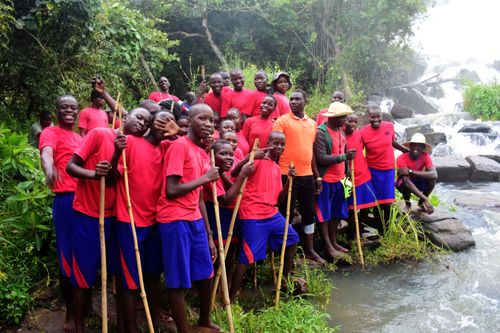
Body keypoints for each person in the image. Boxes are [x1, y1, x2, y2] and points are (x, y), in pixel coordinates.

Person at [66, 108, 151, 333]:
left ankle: (121, 325)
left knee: (117, 271)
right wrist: (92, 174)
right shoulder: (99, 134)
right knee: (84, 272)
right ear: (124, 118)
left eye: (147, 122)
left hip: (115, 217)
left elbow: (112, 180)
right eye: (139, 117)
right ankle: (79, 326)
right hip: (87, 213)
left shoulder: (133, 145)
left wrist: (114, 155)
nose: (143, 123)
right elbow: (71, 166)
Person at [156, 104, 219, 333]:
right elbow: (171, 189)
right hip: (174, 220)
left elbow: (199, 198)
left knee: (206, 272)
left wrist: (209, 234)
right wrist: (205, 179)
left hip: (194, 219)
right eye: (202, 118)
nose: (208, 124)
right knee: (177, 279)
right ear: (189, 120)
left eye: (211, 120)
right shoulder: (178, 147)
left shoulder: (201, 151)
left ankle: (204, 319)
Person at [114, 111, 172, 332]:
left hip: (154, 220)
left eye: (168, 122)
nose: (161, 125)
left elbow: (188, 137)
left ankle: (154, 320)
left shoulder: (165, 147)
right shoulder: (130, 142)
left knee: (153, 274)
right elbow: (112, 178)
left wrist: (173, 130)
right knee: (129, 277)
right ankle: (131, 328)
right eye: (157, 120)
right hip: (129, 220)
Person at [229, 131, 299, 302]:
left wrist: (289, 180)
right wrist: (249, 157)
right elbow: (234, 173)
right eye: (276, 143)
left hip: (272, 214)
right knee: (247, 255)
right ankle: (230, 298)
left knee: (292, 238)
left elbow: (279, 199)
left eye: (282, 144)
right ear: (267, 143)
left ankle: (284, 281)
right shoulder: (257, 160)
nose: (279, 147)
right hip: (252, 214)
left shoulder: (276, 168)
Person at [39, 96, 81, 333]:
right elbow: (46, 153)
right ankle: (70, 313)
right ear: (57, 111)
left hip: (86, 201)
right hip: (65, 201)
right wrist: (49, 170)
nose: (69, 111)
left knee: (83, 254)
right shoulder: (50, 132)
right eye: (64, 107)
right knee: (66, 256)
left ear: (77, 112)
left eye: (73, 108)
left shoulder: (79, 137)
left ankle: (83, 305)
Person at [273, 89, 324, 264]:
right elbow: (274, 147)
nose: (293, 102)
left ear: (305, 101)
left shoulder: (312, 123)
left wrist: (317, 177)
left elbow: (312, 153)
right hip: (286, 175)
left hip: (307, 175)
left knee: (308, 212)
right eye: (291, 99)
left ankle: (309, 250)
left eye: (297, 99)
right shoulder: (282, 121)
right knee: (285, 212)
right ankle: (285, 253)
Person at [203, 140, 253, 289]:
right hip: (215, 212)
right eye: (223, 154)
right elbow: (225, 199)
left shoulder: (219, 171)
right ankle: (214, 290)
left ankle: (226, 286)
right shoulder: (209, 171)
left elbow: (231, 189)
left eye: (231, 154)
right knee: (218, 253)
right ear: (211, 154)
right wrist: (242, 175)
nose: (229, 157)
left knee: (230, 250)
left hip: (226, 213)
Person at [314, 102, 356, 259]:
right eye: (342, 117)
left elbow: (342, 150)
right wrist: (344, 157)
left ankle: (334, 241)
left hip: (340, 179)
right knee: (323, 213)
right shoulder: (321, 133)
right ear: (334, 118)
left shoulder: (340, 130)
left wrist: (346, 174)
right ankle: (327, 246)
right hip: (326, 179)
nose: (345, 120)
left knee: (336, 212)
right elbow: (321, 158)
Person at [360, 105, 409, 234]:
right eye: (373, 117)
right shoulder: (363, 132)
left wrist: (403, 149)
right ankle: (380, 230)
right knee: (376, 202)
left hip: (388, 170)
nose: (376, 119)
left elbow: (392, 141)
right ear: (368, 117)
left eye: (378, 117)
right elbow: (359, 150)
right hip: (372, 170)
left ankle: (386, 232)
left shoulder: (389, 126)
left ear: (382, 116)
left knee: (387, 202)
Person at [343, 113, 377, 239]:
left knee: (367, 205)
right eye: (349, 121)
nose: (352, 124)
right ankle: (351, 234)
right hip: (348, 177)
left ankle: (360, 228)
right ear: (344, 121)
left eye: (354, 122)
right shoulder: (340, 135)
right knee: (351, 208)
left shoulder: (359, 134)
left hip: (363, 174)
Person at [396, 133, 437, 214]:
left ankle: (421, 202)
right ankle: (408, 204)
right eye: (413, 145)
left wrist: (411, 171)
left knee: (432, 180)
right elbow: (406, 181)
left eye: (419, 145)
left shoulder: (425, 156)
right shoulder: (401, 158)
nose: (415, 147)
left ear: (423, 148)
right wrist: (426, 199)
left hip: (418, 180)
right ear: (410, 146)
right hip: (405, 183)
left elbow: (434, 174)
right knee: (405, 183)